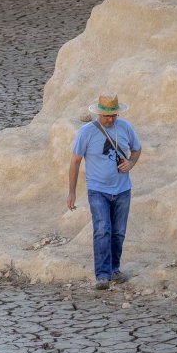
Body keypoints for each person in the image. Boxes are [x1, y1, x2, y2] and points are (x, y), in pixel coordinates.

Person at [67, 94, 142, 289]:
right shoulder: (86, 133)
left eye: (113, 116)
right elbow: (75, 162)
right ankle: (102, 275)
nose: (110, 119)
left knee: (118, 233)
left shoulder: (126, 127)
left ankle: (114, 269)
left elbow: (136, 149)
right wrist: (72, 192)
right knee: (102, 230)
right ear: (99, 113)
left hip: (123, 189)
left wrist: (131, 163)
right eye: (106, 116)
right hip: (97, 189)